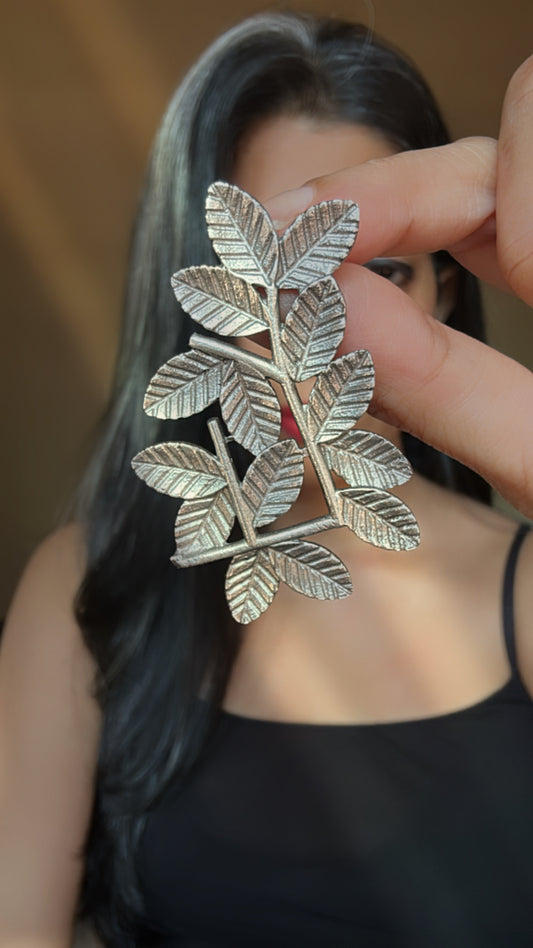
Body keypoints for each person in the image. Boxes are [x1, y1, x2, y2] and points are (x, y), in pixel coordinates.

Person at [1, 10, 532, 947]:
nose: (310, 340)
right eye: (260, 279)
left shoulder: (523, 591)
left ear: (445, 288)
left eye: (374, 274)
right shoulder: (87, 590)